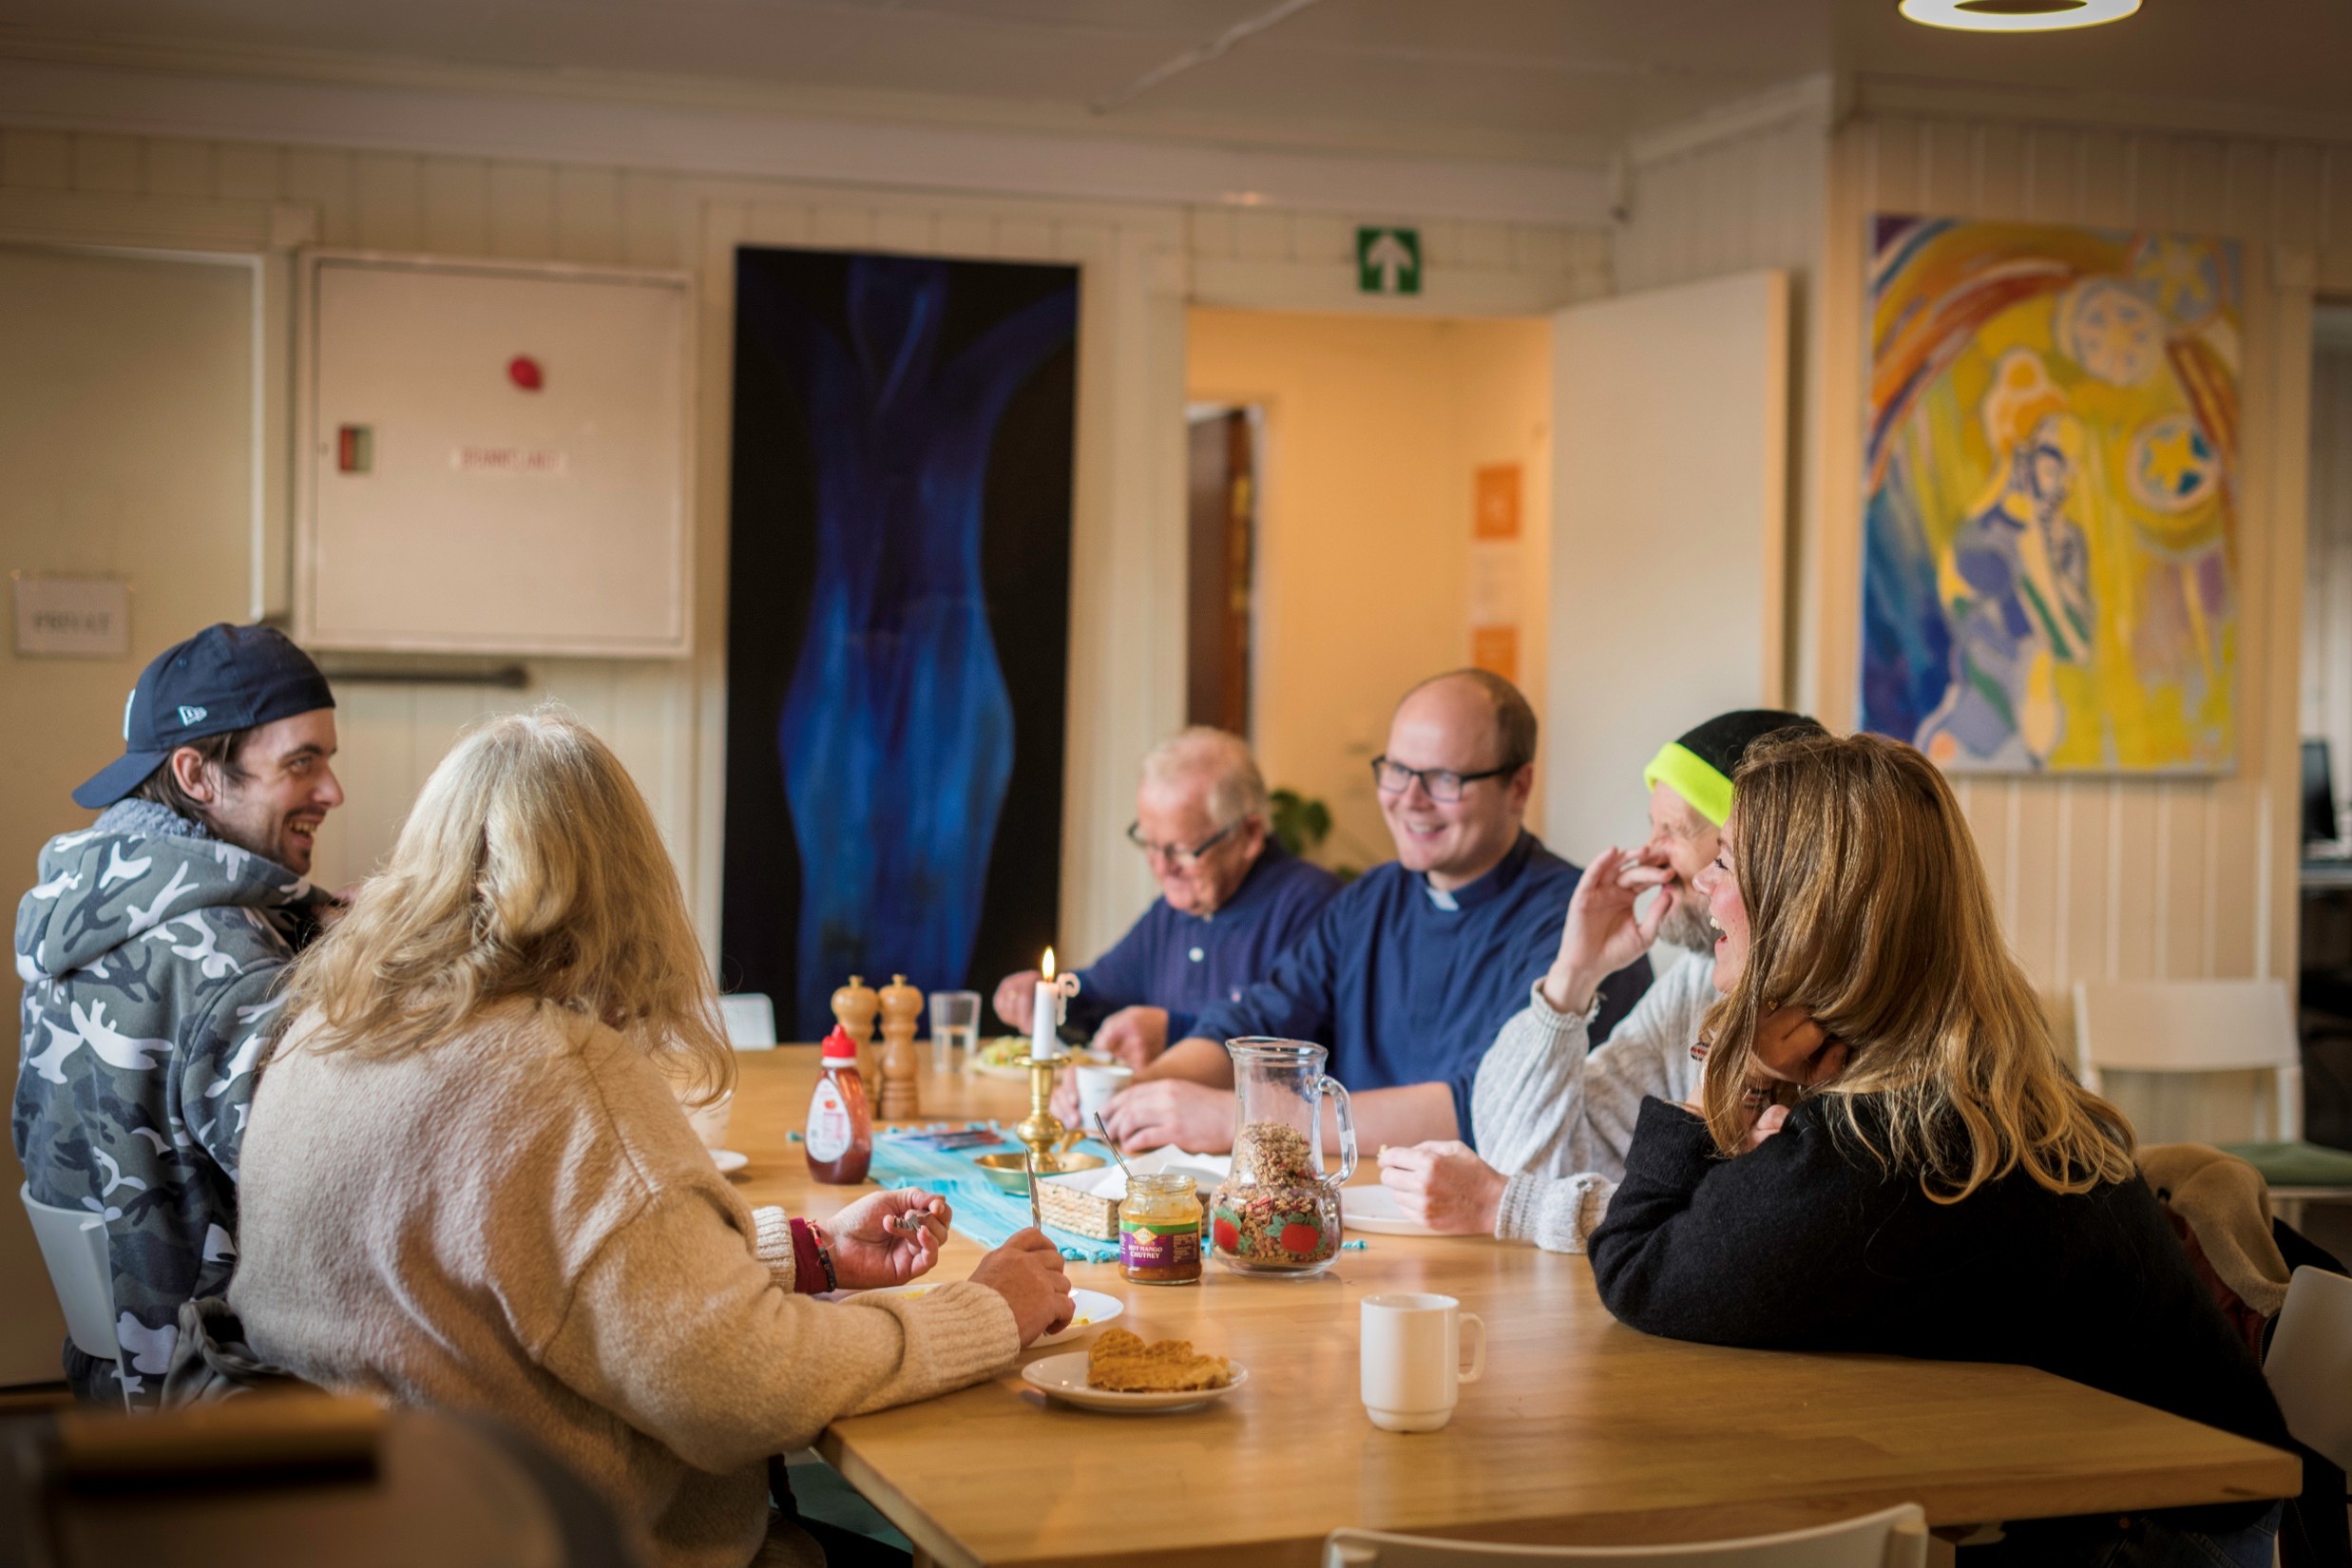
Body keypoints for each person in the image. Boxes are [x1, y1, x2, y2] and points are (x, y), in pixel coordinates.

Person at [231, 709, 1074, 1568]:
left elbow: (526, 1268)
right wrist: (986, 1313)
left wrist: (805, 1252)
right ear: (623, 883)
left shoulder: (327, 1030)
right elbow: (742, 1389)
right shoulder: (562, 1072)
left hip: (358, 1529)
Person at [1586, 730, 2293, 1567]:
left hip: (2165, 1535)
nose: (1704, 886)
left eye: (1727, 863)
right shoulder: (1969, 1077)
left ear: (1806, 913)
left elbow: (1637, 1267)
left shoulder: (1888, 1145)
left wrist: (1723, 1076)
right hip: (2160, 1497)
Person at [1093, 670, 1650, 1155]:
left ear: (1518, 787)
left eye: (1444, 779)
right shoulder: (1373, 896)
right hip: (1351, 1199)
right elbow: (1261, 1020)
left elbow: (1481, 1104)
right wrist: (1140, 1091)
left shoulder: (1580, 926)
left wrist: (1238, 1120)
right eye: (1397, 771)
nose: (1409, 799)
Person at [14, 622, 344, 1405]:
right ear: (196, 774)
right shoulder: (225, 962)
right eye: (301, 762)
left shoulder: (77, 914)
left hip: (111, 1385)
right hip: (226, 1406)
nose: (333, 791)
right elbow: (339, 1186)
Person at [1377, 711, 1825, 1247]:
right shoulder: (1694, 982)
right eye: (1652, 825)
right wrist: (1573, 976)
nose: (1650, 854)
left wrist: (1508, 1205)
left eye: (1674, 831)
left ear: (1770, 858)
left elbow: (1714, 1224)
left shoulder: (1832, 1014)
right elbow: (1536, 1159)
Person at [993, 727, 1337, 1067]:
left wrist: (1174, 1033)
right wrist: (1047, 998)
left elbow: (1304, 1052)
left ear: (1249, 835)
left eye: (1182, 850)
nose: (1161, 867)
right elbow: (1099, 996)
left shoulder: (1315, 908)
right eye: (1150, 844)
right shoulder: (1176, 911)